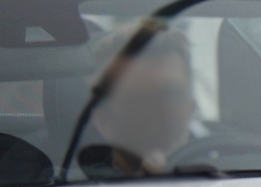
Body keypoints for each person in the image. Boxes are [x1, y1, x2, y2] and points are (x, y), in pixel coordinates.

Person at [75, 20, 198, 176]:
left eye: (173, 95)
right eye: (143, 101)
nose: (165, 111)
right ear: (103, 120)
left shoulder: (223, 171)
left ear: (192, 107)